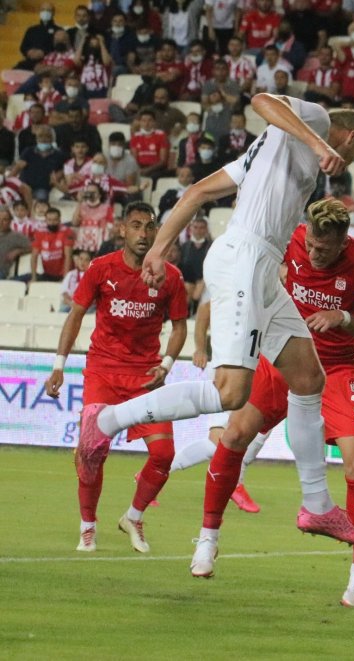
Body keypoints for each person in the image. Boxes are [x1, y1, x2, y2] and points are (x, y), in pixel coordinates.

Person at [74, 94, 354, 567]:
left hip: (262, 267)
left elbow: (195, 193)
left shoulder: (265, 153)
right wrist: (318, 142)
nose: (345, 162)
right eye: (353, 154)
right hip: (244, 261)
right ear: (350, 137)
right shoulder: (311, 122)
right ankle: (104, 421)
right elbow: (263, 99)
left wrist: (159, 250)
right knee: (232, 393)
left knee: (308, 378)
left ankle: (316, 506)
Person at [176, 206, 354, 602]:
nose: (314, 253)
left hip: (338, 369)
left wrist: (341, 317)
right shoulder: (290, 239)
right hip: (283, 356)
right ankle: (207, 539)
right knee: (234, 434)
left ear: (344, 241)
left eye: (324, 249)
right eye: (311, 245)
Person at [43, 202, 188, 553]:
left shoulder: (170, 276)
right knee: (91, 452)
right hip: (103, 373)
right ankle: (87, 527)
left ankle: (133, 516)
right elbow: (75, 316)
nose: (143, 233)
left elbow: (180, 326)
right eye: (136, 225)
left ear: (157, 232)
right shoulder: (100, 268)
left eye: (150, 226)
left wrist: (167, 364)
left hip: (145, 377)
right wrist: (59, 364)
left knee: (164, 454)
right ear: (122, 230)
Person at [30, 207, 75, 285]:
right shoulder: (39, 233)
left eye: (55, 220)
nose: (52, 222)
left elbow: (68, 256)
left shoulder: (67, 232)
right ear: (45, 220)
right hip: (47, 274)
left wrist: (65, 278)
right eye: (49, 220)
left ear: (59, 220)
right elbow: (34, 256)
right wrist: (33, 277)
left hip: (64, 274)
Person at [180, 217, 211, 313]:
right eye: (196, 227)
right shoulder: (185, 247)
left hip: (206, 282)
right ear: (191, 229)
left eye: (202, 228)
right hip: (188, 283)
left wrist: (202, 282)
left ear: (206, 229)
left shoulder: (212, 247)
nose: (198, 230)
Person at [0, 207, 31, 280]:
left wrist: (18, 251)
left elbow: (34, 247)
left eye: (4, 219)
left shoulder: (16, 236)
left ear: (10, 221)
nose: (0, 222)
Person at [60, 248, 91, 312]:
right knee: (63, 309)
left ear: (90, 262)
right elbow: (64, 294)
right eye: (81, 259)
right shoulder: (70, 274)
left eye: (86, 260)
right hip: (71, 304)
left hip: (87, 307)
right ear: (77, 260)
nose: (83, 262)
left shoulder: (93, 276)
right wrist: (72, 304)